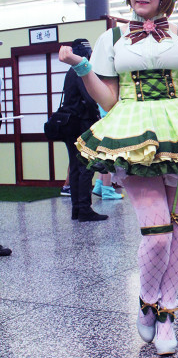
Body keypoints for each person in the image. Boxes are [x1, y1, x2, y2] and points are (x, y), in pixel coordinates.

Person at [59, 0, 178, 355]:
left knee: (176, 233)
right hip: (133, 131)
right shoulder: (113, 37)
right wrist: (82, 67)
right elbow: (110, 100)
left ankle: (167, 314)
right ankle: (146, 301)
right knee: (157, 234)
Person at [61, 38, 107, 222]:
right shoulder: (80, 70)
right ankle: (85, 209)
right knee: (86, 166)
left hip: (69, 124)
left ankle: (77, 209)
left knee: (74, 166)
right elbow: (88, 99)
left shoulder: (69, 71)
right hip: (83, 124)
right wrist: (98, 117)